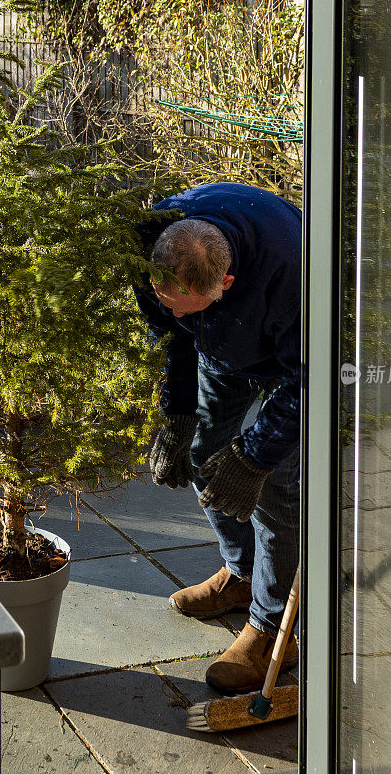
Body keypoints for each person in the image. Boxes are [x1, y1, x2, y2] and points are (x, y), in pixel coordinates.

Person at [133, 181, 301, 694]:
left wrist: (255, 456)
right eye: (172, 303)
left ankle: (273, 626)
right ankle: (242, 571)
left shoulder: (294, 270)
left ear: (226, 280)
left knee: (273, 489)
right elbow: (172, 334)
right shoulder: (152, 247)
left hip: (287, 363)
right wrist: (178, 414)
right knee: (203, 453)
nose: (177, 313)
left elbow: (310, 379)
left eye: (190, 305)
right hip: (221, 350)